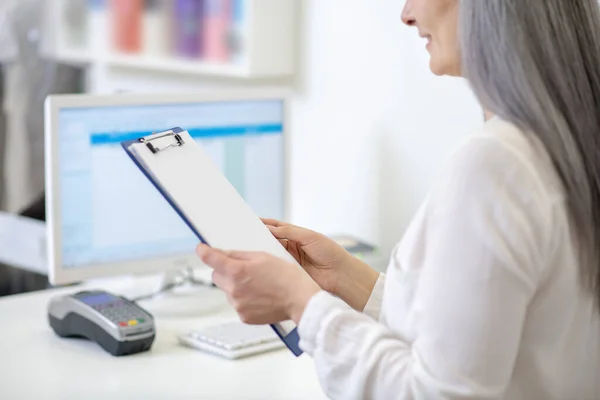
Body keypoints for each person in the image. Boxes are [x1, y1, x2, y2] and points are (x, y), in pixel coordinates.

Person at [196, 0, 600, 398]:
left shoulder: (494, 164)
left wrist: (300, 301)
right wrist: (345, 277)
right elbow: (483, 337)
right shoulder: (568, 146)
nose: (406, 14)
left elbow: (439, 393)